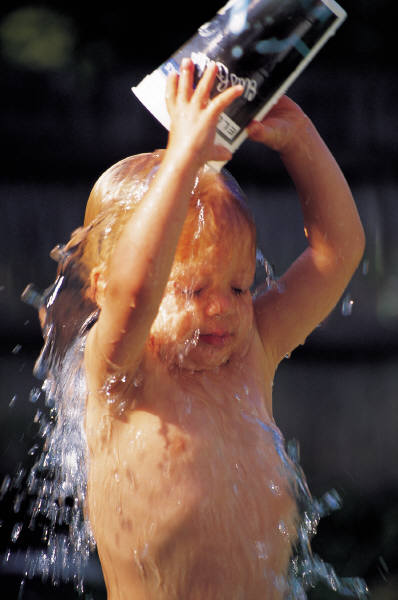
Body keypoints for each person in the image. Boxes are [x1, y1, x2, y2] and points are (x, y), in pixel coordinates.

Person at [82, 58, 365, 599]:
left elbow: (338, 251)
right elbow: (136, 290)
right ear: (100, 288)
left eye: (238, 288)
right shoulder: (123, 370)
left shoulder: (252, 352)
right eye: (192, 289)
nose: (224, 309)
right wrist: (184, 158)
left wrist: (299, 137)